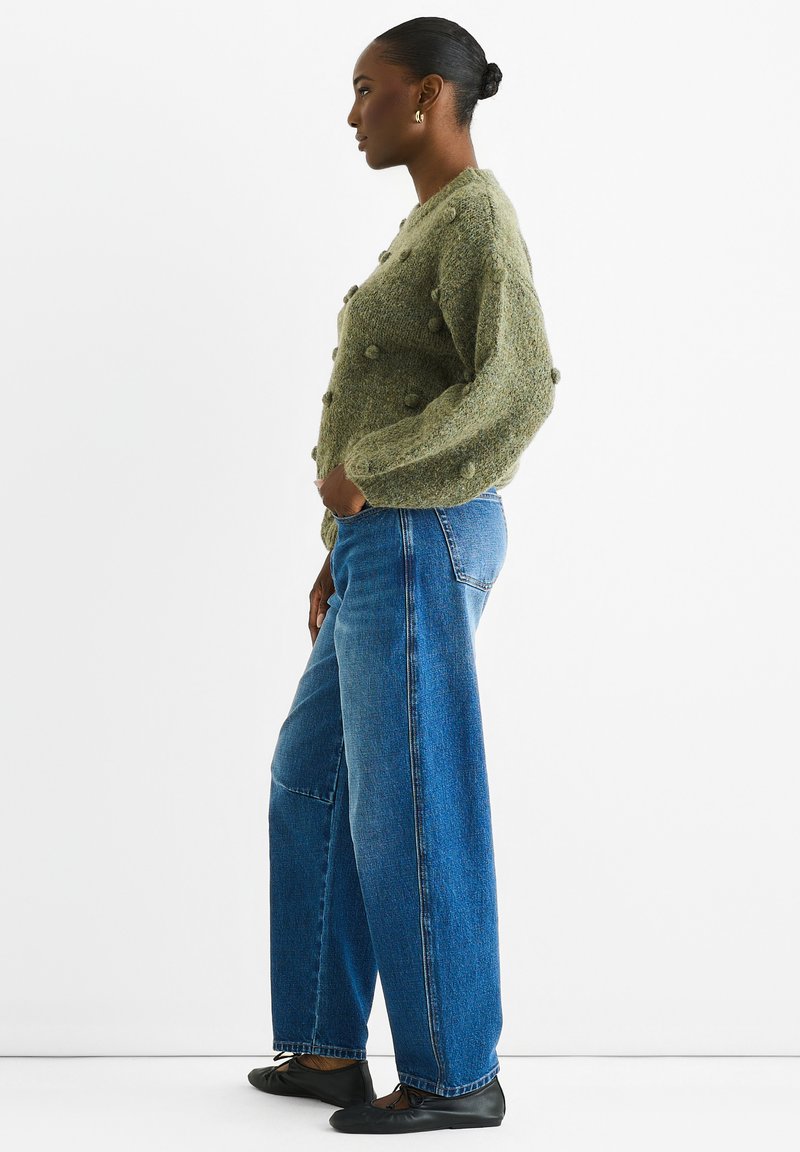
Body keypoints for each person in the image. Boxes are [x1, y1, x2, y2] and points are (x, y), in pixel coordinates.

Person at [248, 15, 559, 1136]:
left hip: (424, 534)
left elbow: (516, 387)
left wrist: (368, 473)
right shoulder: (428, 223)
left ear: (428, 96)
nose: (352, 114)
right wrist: (336, 550)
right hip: (380, 547)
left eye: (366, 89)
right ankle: (327, 1047)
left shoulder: (474, 217)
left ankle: (452, 1074)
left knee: (413, 800)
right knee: (312, 780)